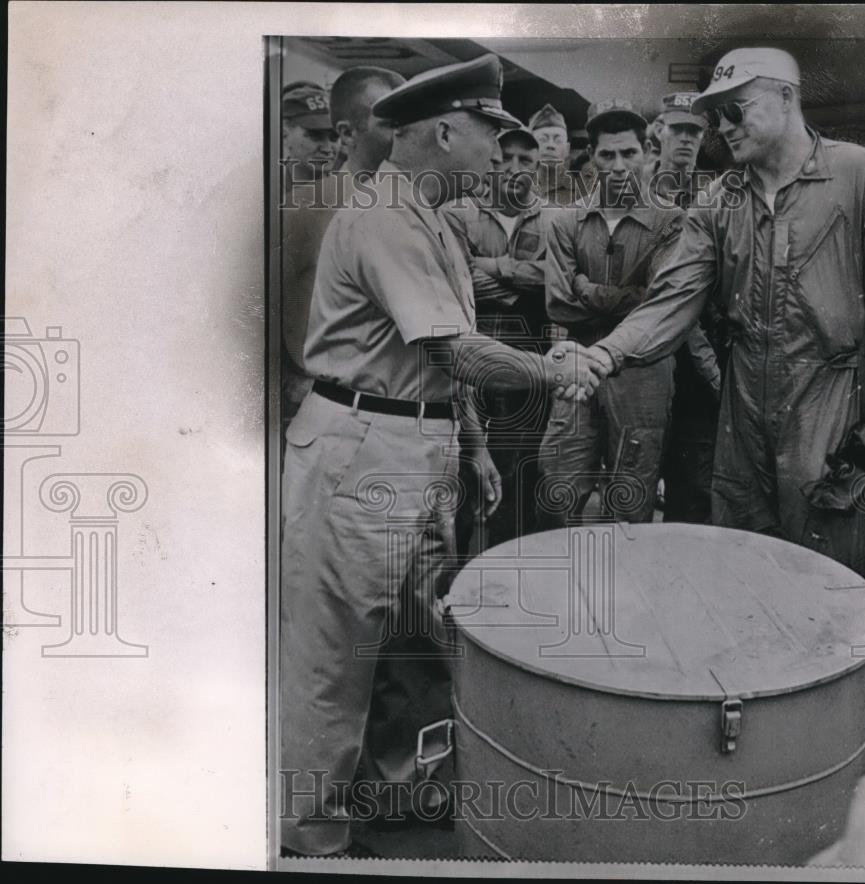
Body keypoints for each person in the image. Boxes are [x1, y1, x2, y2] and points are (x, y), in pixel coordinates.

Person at [279, 54, 605, 858]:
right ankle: (310, 839)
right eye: (492, 131)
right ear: (444, 130)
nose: (502, 149)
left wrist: (475, 448)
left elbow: (434, 357)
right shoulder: (387, 216)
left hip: (414, 439)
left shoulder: (429, 215)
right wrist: (551, 369)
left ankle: (398, 792)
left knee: (419, 633)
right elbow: (455, 347)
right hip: (363, 444)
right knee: (336, 658)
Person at [579, 47, 865, 584]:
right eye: (715, 116)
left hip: (833, 405)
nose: (722, 127)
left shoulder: (860, 175)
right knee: (744, 565)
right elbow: (670, 299)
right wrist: (604, 354)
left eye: (736, 110)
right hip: (744, 402)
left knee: (833, 575)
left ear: (785, 97)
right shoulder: (720, 199)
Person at [536, 98, 680, 528]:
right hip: (577, 364)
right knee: (559, 483)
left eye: (629, 153)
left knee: (631, 497)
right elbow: (559, 303)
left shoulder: (670, 222)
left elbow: (660, 303)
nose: (618, 166)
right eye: (607, 154)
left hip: (643, 372)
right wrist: (624, 295)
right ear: (592, 157)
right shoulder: (565, 222)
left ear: (648, 153)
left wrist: (586, 287)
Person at [442, 126, 550, 546]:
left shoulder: (555, 218)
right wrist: (520, 287)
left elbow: (555, 280)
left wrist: (494, 267)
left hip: (529, 353)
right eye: (506, 157)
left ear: (539, 168)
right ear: (491, 158)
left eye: (527, 160)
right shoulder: (457, 213)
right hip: (468, 348)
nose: (514, 168)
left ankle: (507, 561)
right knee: (467, 462)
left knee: (520, 465)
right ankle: (454, 574)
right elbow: (459, 280)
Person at [281, 67, 405, 428]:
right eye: (392, 125)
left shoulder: (411, 207)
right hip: (318, 403)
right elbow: (255, 308)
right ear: (348, 133)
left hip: (388, 407)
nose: (405, 137)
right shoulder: (307, 205)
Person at [646, 93, 724, 524]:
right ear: (659, 131)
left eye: (695, 132)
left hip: (699, 357)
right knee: (637, 476)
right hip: (653, 348)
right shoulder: (637, 191)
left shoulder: (715, 196)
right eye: (679, 130)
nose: (687, 140)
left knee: (694, 482)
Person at [281, 81, 340, 187]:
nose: (327, 149)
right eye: (315, 135)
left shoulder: (347, 195)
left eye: (334, 136)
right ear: (284, 136)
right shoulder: (269, 190)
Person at [529, 102, 576, 206]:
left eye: (558, 140)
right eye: (543, 139)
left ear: (567, 149)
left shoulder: (580, 191)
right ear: (530, 147)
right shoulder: (519, 186)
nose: (550, 145)